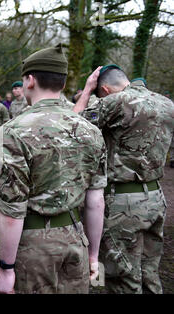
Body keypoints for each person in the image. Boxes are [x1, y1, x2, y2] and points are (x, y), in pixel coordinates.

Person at [0, 44, 107, 294]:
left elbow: (12, 210)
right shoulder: (91, 131)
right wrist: (93, 255)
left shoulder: (13, 131)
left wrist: (6, 268)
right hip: (76, 239)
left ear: (30, 81)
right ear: (63, 84)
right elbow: (96, 201)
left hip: (34, 244)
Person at [73, 64, 174, 294]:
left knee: (123, 278)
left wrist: (87, 91)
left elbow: (72, 127)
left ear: (106, 90)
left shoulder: (116, 102)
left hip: (124, 203)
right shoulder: (166, 103)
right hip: (156, 197)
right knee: (150, 274)